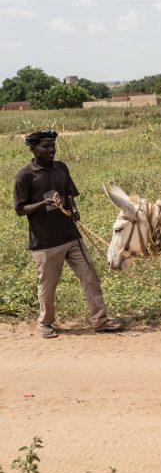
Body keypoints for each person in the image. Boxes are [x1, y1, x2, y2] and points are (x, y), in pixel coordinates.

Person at [13, 130, 123, 338]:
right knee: (48, 285)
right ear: (33, 149)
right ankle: (46, 323)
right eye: (46, 146)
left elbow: (70, 194)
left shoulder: (61, 168)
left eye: (53, 145)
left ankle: (101, 321)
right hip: (45, 242)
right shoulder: (25, 175)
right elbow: (20, 209)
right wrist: (43, 204)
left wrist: (73, 209)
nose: (52, 149)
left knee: (90, 276)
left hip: (71, 237)